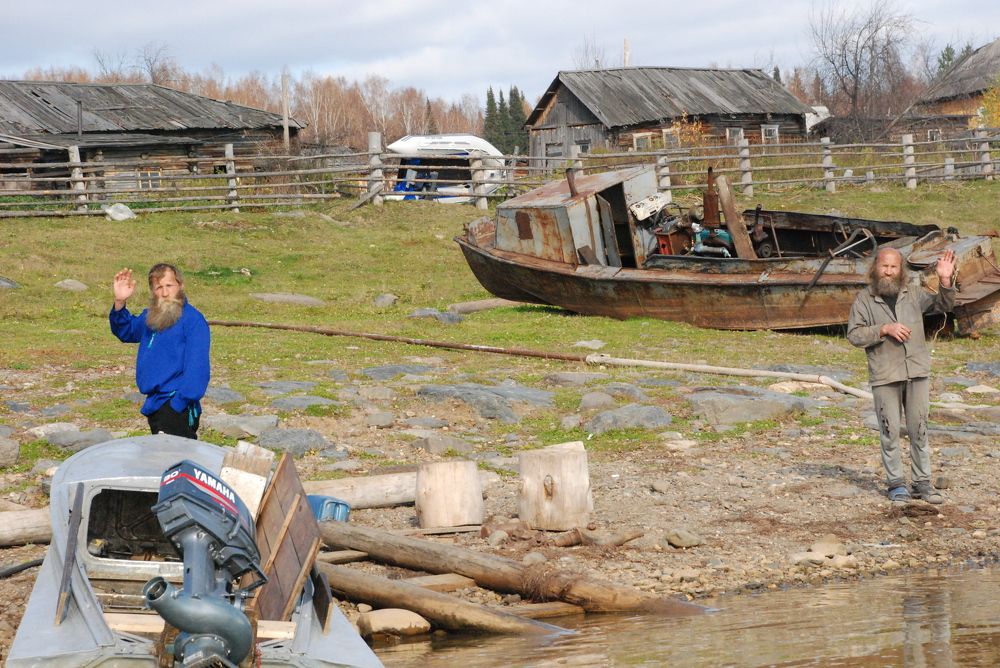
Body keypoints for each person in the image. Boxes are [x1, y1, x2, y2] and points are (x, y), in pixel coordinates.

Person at [847, 247, 956, 504]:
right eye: (884, 266)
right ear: (875, 268)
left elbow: (944, 305)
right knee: (890, 430)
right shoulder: (864, 299)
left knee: (919, 429)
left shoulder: (913, 294)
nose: (888, 271)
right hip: (885, 374)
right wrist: (884, 329)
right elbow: (854, 335)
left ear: (900, 270)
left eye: (893, 267)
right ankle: (896, 484)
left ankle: (922, 484)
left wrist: (945, 280)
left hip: (916, 371)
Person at [110, 263, 210, 439]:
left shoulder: (193, 320)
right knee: (160, 461)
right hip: (155, 404)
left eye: (169, 286)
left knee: (176, 462)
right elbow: (127, 331)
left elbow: (198, 370)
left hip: (176, 406)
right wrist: (120, 302)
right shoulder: (152, 315)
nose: (165, 293)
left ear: (180, 285)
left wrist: (177, 405)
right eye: (159, 287)